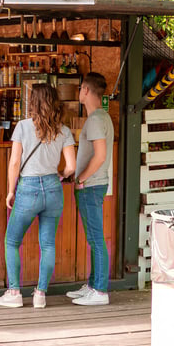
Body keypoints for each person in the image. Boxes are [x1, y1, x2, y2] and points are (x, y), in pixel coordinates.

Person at [0, 84, 76, 309]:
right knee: (48, 244)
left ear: (33, 102)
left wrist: (11, 190)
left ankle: (14, 292)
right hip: (52, 187)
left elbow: (15, 162)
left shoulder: (22, 126)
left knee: (12, 241)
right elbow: (71, 166)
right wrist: (60, 175)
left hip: (28, 187)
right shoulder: (64, 130)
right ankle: (40, 294)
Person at [67, 72, 114, 306]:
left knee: (96, 238)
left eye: (79, 88)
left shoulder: (95, 120)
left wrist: (81, 178)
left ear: (85, 90)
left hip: (91, 184)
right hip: (95, 183)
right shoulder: (102, 117)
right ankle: (94, 284)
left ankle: (100, 291)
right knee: (94, 237)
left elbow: (100, 155)